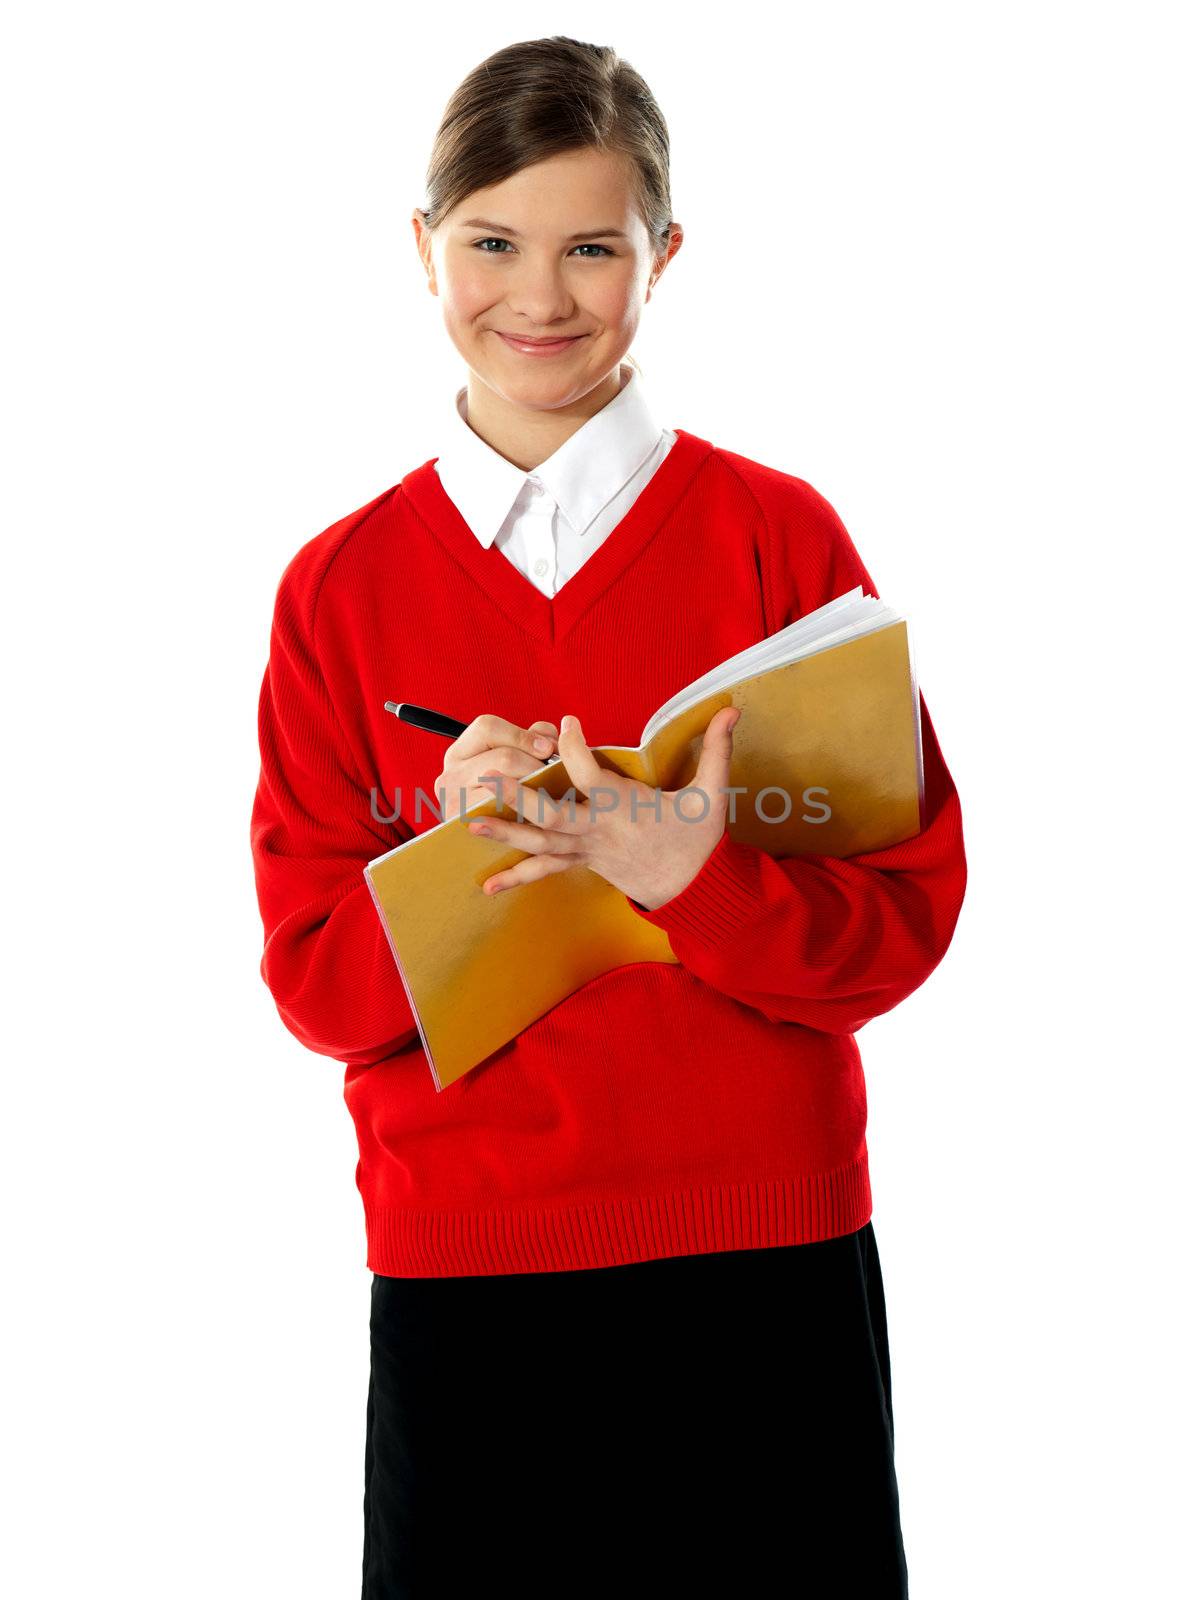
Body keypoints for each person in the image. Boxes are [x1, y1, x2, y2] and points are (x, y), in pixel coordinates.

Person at [249, 35, 967, 1599]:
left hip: (762, 1255)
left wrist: (697, 878)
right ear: (422, 248)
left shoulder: (780, 539)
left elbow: (901, 924)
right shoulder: (338, 591)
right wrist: (447, 856)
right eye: (492, 243)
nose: (541, 296)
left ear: (665, 255)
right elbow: (317, 989)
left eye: (594, 248)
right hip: (471, 1272)